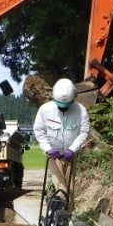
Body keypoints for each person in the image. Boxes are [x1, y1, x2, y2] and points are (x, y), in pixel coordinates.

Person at [33, 78, 90, 215]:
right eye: (60, 105)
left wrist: (73, 149)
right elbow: (39, 131)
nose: (63, 107)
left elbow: (84, 132)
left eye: (66, 105)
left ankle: (67, 216)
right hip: (53, 153)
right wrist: (48, 149)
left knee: (70, 187)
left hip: (70, 153)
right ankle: (57, 213)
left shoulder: (80, 111)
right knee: (61, 185)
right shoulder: (45, 110)